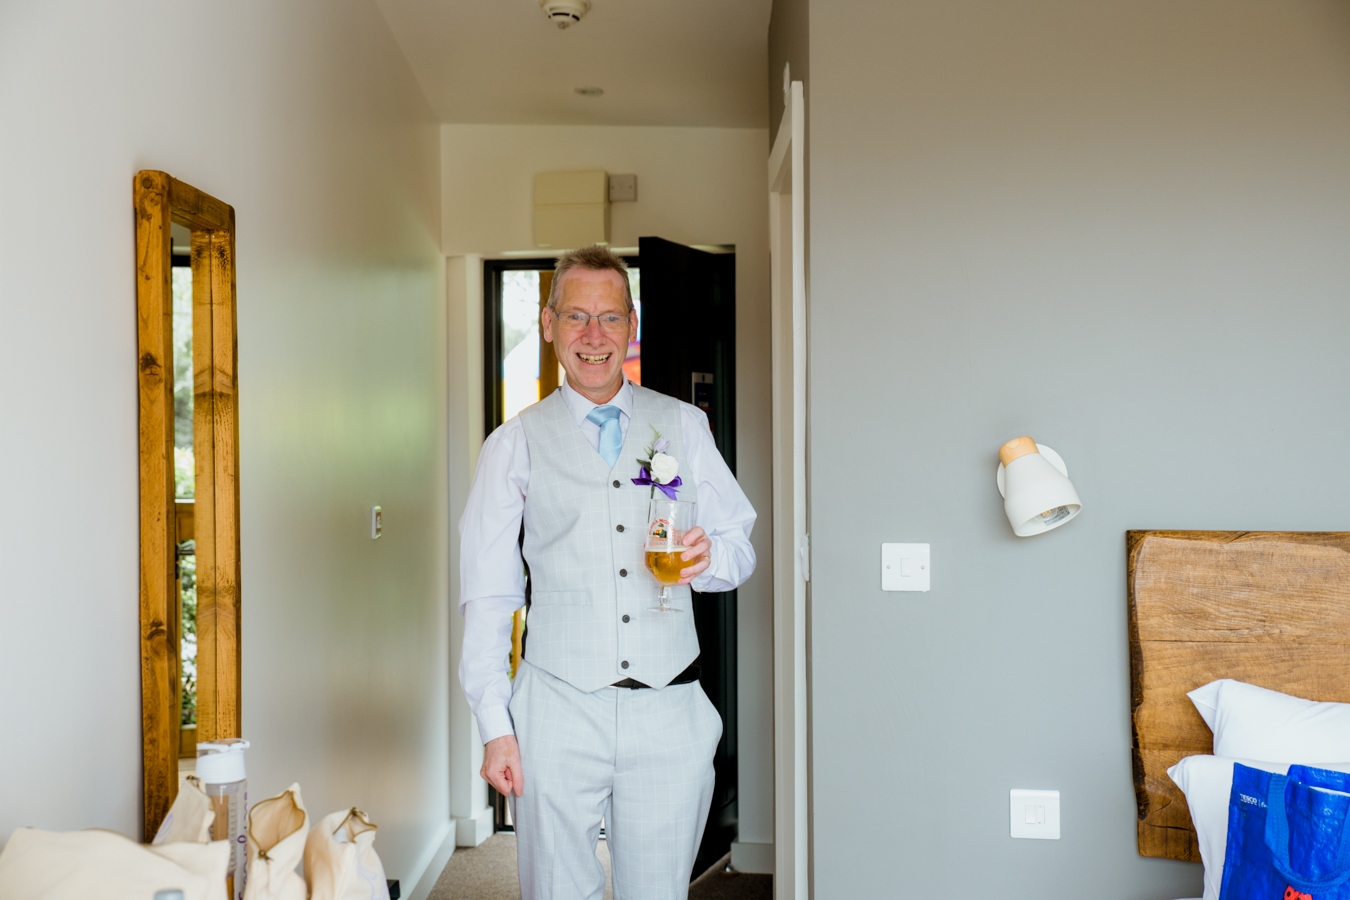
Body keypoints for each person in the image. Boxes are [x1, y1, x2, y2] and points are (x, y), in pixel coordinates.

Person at [458, 244, 757, 900]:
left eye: (610, 317)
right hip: (556, 707)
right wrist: (495, 727)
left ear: (632, 325)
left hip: (669, 706)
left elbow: (740, 549)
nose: (594, 335)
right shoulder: (512, 444)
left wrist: (707, 559)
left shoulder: (683, 425)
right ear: (548, 324)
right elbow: (488, 594)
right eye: (576, 316)